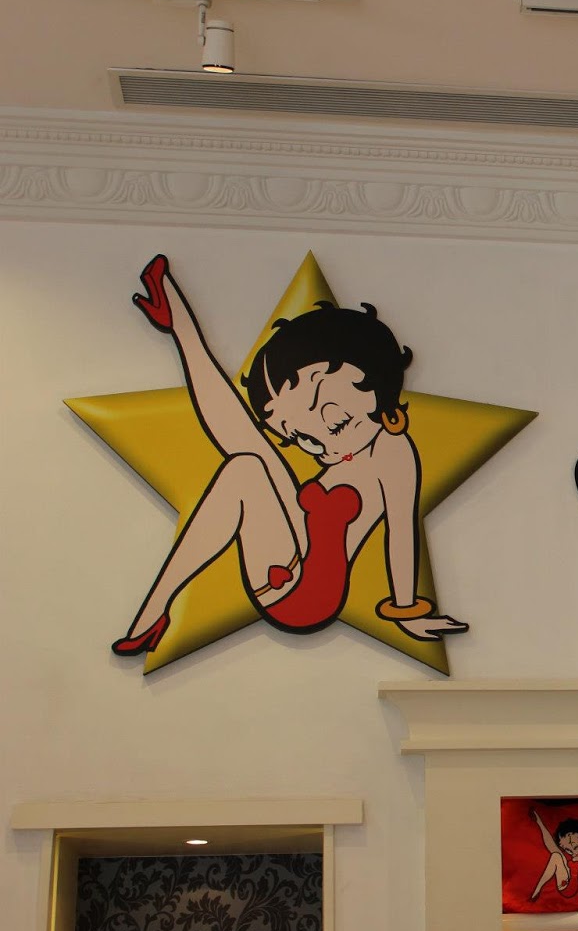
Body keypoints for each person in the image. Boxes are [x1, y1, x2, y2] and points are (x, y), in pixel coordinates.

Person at [111, 254, 466, 657]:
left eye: (336, 424)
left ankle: (154, 611)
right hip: (289, 566)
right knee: (249, 452)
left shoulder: (393, 451)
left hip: (309, 596)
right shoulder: (348, 455)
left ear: (376, 385)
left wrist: (407, 609)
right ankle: (182, 329)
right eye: (305, 440)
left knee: (246, 467)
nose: (326, 448)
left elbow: (400, 531)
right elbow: (244, 435)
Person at [529, 810, 578, 902]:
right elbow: (553, 846)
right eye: (568, 850)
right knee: (556, 852)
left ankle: (538, 889)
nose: (573, 853)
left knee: (556, 855)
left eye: (576, 847)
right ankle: (539, 823)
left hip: (569, 890)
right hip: (564, 883)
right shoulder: (577, 853)